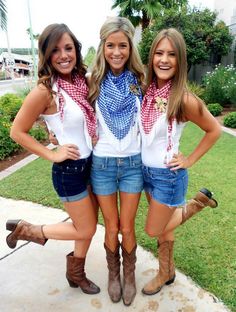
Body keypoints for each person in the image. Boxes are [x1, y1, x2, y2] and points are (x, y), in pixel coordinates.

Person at [5, 23, 100, 295]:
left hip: (89, 165)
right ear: (46, 55)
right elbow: (17, 131)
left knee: (85, 229)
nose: (63, 55)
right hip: (68, 171)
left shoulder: (79, 82)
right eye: (55, 50)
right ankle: (28, 230)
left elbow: (106, 71)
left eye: (68, 48)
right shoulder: (45, 91)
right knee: (86, 228)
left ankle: (76, 275)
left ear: (76, 50)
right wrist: (51, 153)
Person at [139, 28, 221, 296]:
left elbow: (214, 130)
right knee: (164, 231)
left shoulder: (184, 99)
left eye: (171, 54)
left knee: (154, 229)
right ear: (151, 58)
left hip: (168, 175)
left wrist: (189, 160)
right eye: (159, 53)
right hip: (146, 172)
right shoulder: (147, 92)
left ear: (180, 60)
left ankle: (197, 203)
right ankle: (166, 272)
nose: (164, 59)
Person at [87, 17, 145, 306]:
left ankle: (130, 275)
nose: (117, 52)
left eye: (123, 45)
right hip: (103, 166)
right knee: (111, 227)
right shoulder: (91, 81)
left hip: (133, 164)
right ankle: (114, 274)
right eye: (111, 45)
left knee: (128, 227)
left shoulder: (142, 81)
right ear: (103, 47)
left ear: (130, 47)